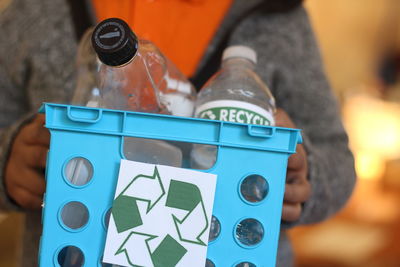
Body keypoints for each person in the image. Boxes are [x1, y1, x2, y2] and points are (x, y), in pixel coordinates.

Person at [0, 0, 356, 266]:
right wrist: (8, 159)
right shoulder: (38, 11)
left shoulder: (280, 17)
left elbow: (336, 157)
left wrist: (303, 175)